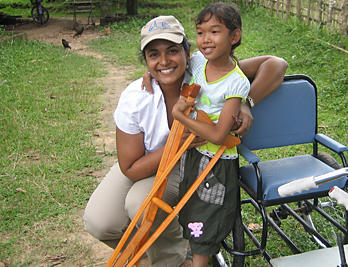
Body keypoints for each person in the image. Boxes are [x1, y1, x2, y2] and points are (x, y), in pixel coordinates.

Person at [83, 14, 288, 267]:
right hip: (147, 162)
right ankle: (153, 250)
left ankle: (180, 259)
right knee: (100, 222)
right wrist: (178, 144)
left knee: (140, 203)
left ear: (188, 53)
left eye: (172, 51)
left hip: (190, 163)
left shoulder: (206, 71)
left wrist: (245, 102)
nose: (165, 61)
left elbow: (276, 64)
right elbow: (130, 168)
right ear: (145, 61)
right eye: (154, 54)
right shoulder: (135, 97)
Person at [172, 3, 248, 266]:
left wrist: (180, 115)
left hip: (217, 164)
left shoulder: (236, 82)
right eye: (200, 32)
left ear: (234, 37)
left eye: (214, 32)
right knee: (192, 211)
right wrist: (149, 74)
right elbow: (172, 66)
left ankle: (200, 262)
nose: (205, 39)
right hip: (192, 155)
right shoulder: (197, 62)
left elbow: (217, 135)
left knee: (205, 219)